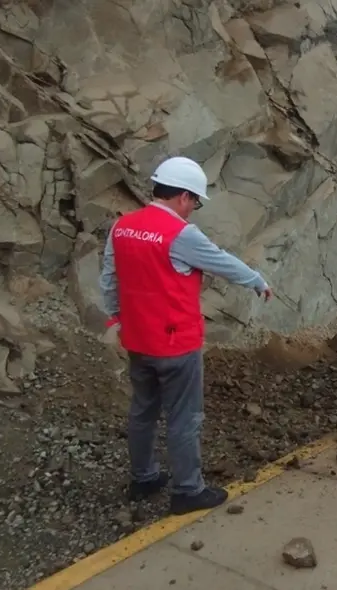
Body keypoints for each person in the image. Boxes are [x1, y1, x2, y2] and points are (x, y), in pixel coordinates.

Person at [98, 156, 273, 515]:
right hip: (176, 343)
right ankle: (188, 490)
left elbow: (108, 278)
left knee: (143, 411)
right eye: (194, 200)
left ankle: (144, 478)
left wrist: (116, 319)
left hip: (137, 340)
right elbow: (220, 261)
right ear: (182, 196)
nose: (193, 208)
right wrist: (256, 281)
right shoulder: (180, 233)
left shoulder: (123, 227)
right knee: (184, 416)